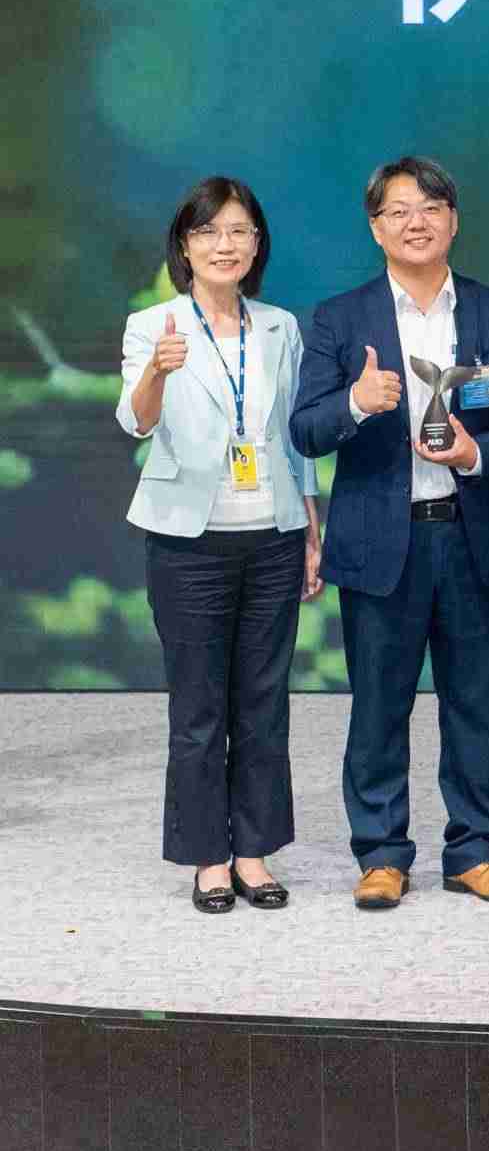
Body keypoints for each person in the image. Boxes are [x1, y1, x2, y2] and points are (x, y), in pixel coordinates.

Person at [290, 157, 489, 911]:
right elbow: (305, 429)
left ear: (454, 220)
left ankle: (475, 848)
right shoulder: (341, 318)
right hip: (381, 541)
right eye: (398, 210)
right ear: (376, 228)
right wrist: (357, 401)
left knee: (475, 700)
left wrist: (475, 454)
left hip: (471, 534)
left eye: (430, 206)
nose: (416, 221)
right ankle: (380, 852)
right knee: (378, 704)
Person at [116, 178, 323, 913]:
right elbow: (136, 421)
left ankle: (254, 852)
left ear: (257, 244)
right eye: (208, 232)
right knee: (199, 706)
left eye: (239, 231)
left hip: (272, 534)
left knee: (264, 702)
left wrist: (310, 524)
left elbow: (295, 434)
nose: (224, 244)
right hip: (189, 540)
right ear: (185, 245)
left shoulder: (280, 327)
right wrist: (156, 370)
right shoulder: (154, 324)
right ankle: (208, 856)